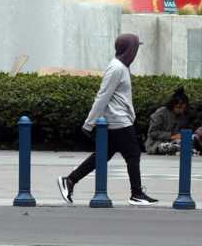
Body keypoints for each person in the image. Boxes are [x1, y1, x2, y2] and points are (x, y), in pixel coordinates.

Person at [58, 33, 158, 206]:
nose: (136, 53)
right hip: (118, 121)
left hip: (120, 119)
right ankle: (136, 194)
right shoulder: (117, 68)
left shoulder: (122, 67)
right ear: (129, 50)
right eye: (135, 48)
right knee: (133, 155)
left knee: (102, 156)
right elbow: (103, 96)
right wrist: (89, 123)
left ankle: (70, 180)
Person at [145, 87, 192, 155]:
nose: (181, 110)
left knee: (187, 146)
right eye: (179, 108)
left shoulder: (181, 116)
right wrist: (171, 135)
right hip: (156, 144)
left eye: (183, 108)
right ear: (173, 105)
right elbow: (152, 133)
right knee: (171, 147)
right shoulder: (161, 113)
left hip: (174, 142)